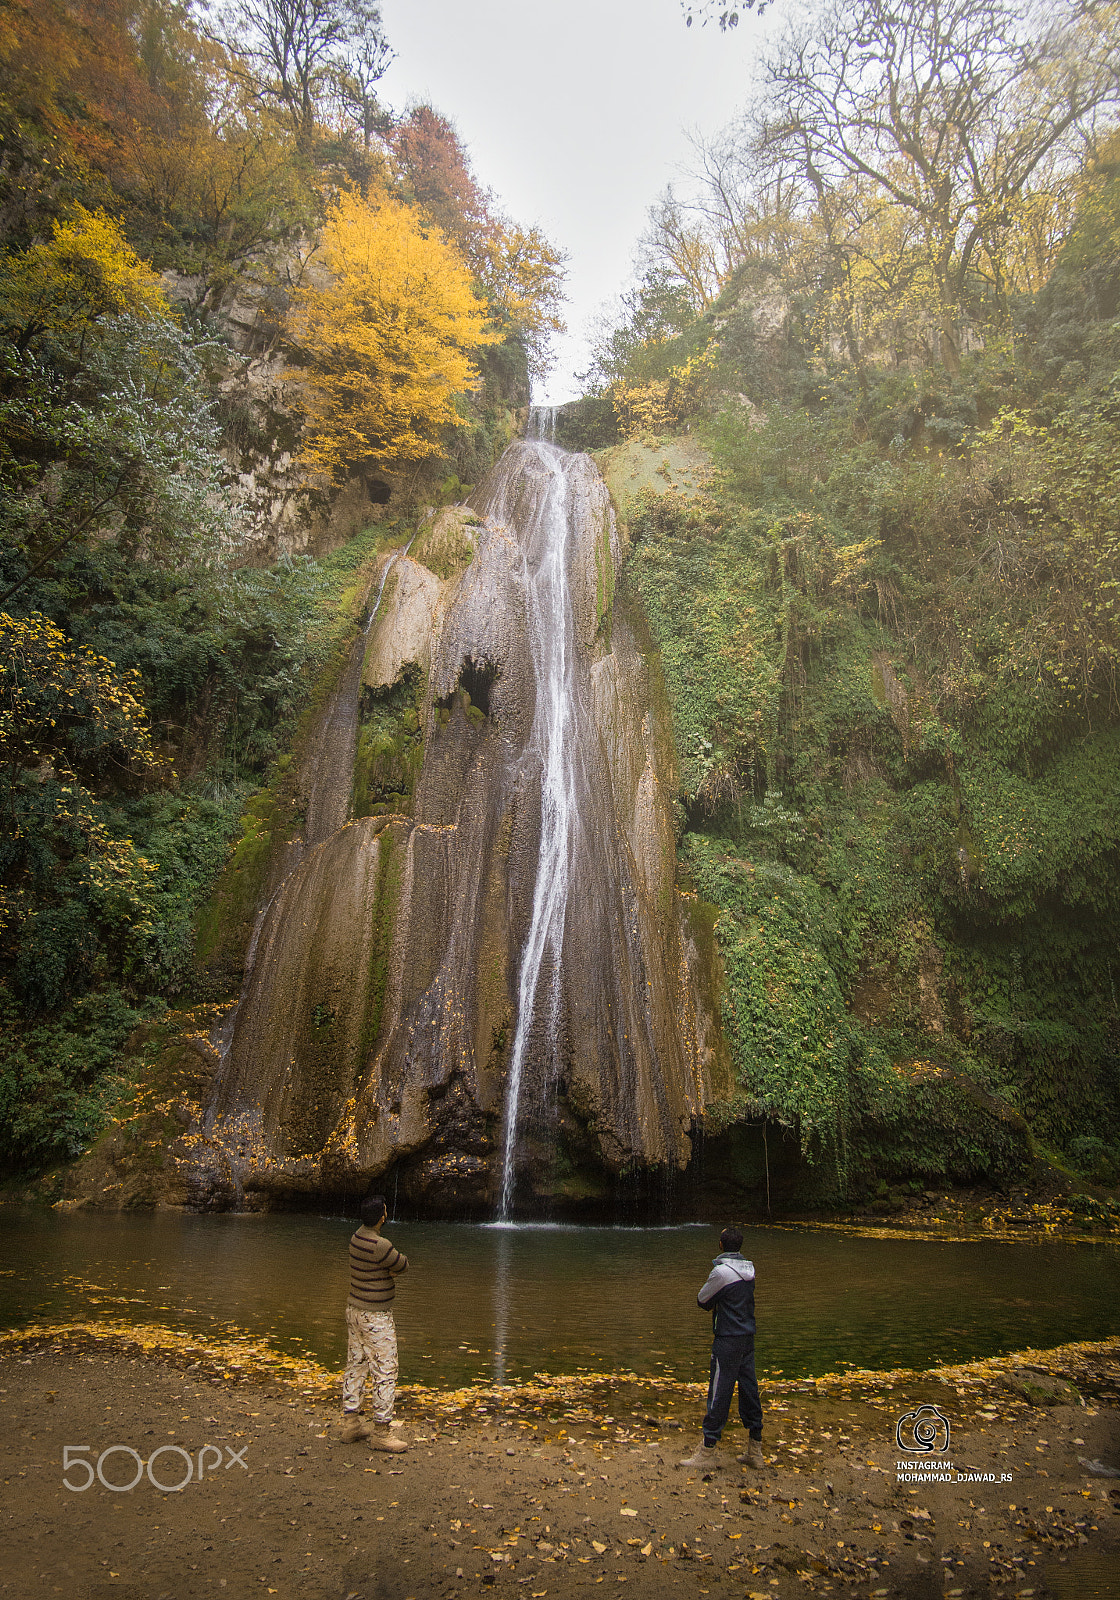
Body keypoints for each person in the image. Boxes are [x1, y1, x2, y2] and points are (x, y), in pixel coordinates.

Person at [680, 1225, 764, 1469]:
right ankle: (755, 1450)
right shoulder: (750, 1269)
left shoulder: (721, 1273)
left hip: (727, 1339)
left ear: (720, 1245)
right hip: (747, 1337)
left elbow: (702, 1300)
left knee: (718, 1393)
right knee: (749, 1390)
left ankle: (707, 1452)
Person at [339, 1192, 409, 1451]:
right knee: (385, 1371)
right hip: (375, 1317)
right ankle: (382, 1431)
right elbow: (402, 1264)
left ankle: (352, 1424)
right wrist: (389, 1270)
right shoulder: (381, 1246)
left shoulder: (356, 1236)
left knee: (356, 1365)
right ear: (382, 1217)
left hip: (354, 1310)